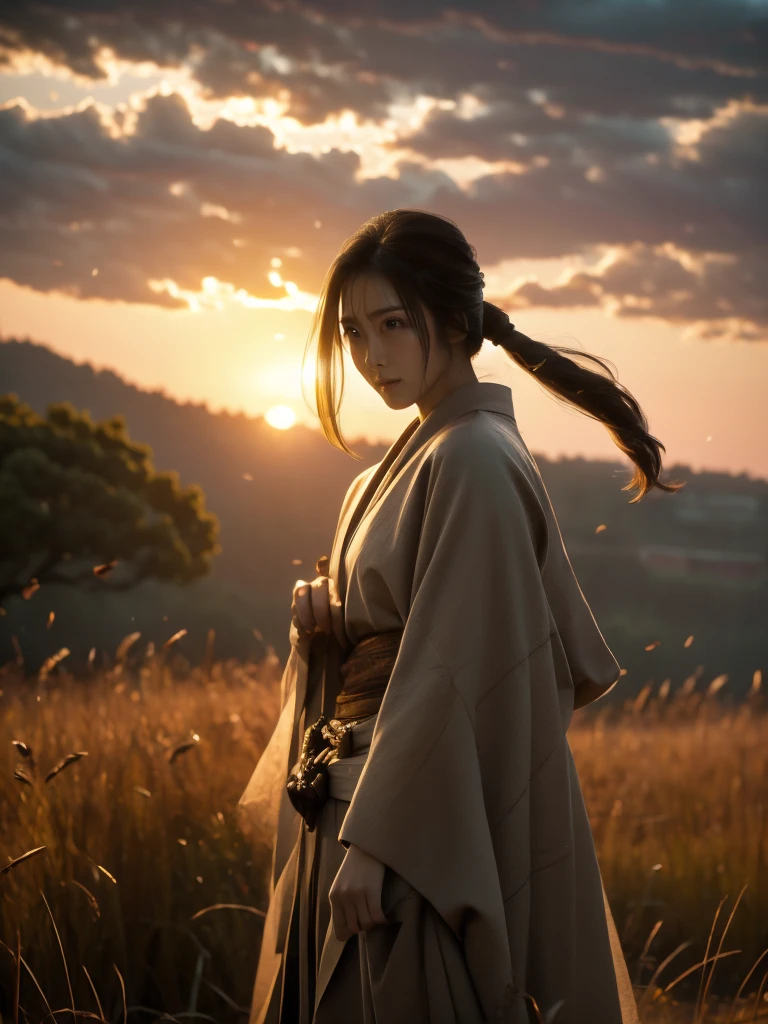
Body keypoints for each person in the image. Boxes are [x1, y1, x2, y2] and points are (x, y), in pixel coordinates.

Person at [237, 209, 682, 1024]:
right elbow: (401, 648)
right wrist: (327, 627)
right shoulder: (391, 470)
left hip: (416, 833)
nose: (371, 357)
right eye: (353, 332)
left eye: (394, 325)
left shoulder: (473, 457)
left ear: (452, 319)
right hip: (354, 801)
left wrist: (377, 845)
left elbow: (452, 675)